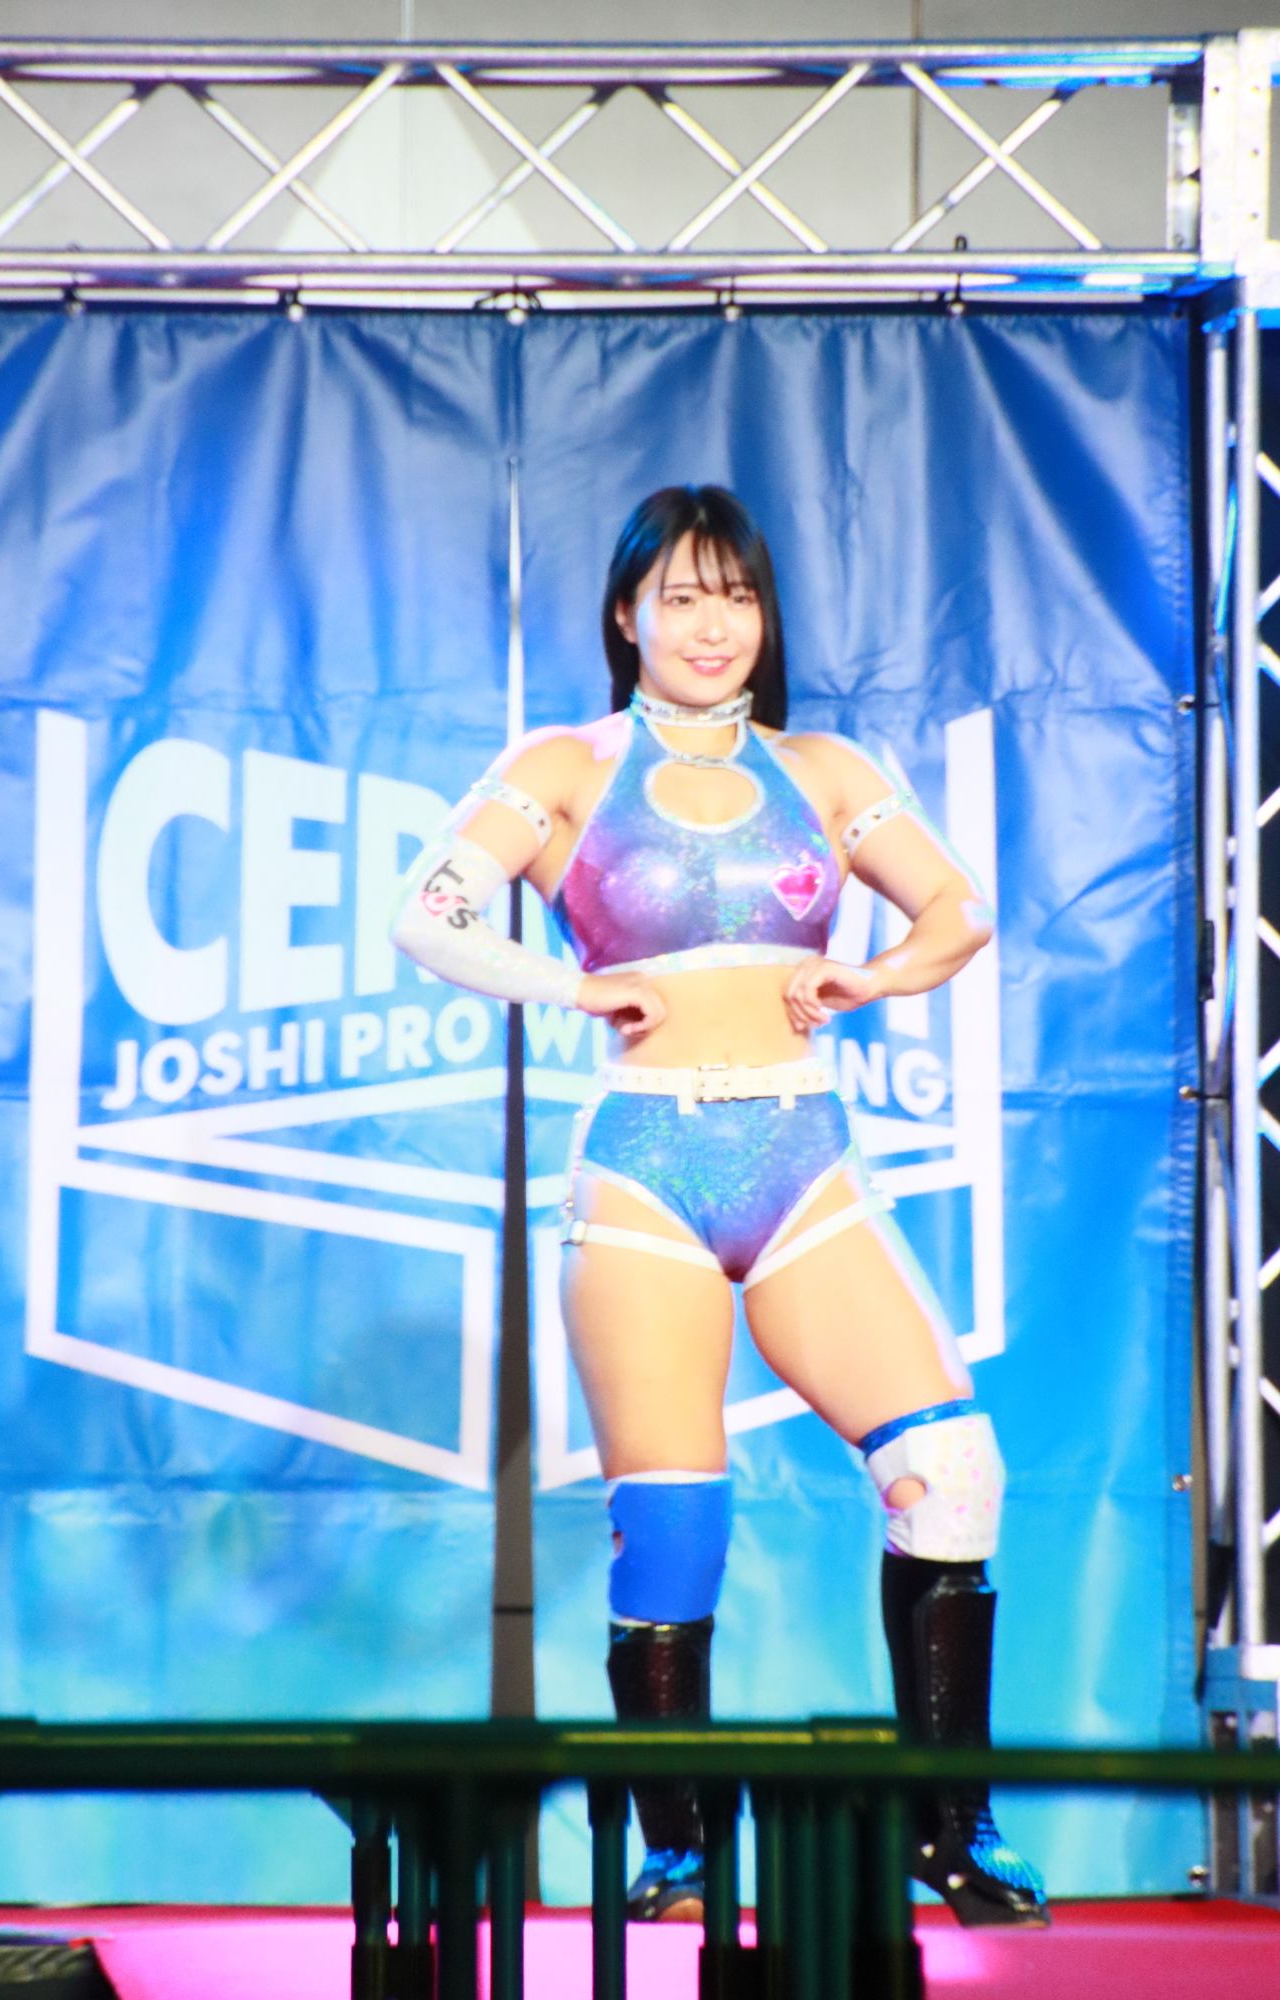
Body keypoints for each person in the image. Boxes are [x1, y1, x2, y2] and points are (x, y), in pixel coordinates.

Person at [392, 485, 1046, 1928]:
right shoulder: (565, 765)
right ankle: (678, 1848)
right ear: (625, 614)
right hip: (647, 1178)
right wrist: (567, 984)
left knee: (951, 1471)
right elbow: (424, 913)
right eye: (680, 597)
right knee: (674, 1524)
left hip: (803, 1160)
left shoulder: (821, 767)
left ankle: (950, 1830)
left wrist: (876, 974)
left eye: (735, 596)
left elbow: (958, 908)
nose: (710, 625)